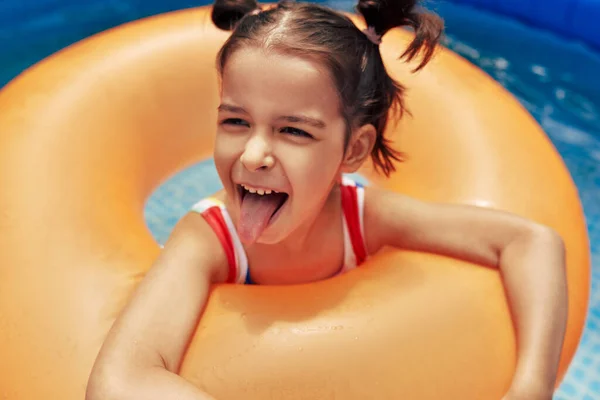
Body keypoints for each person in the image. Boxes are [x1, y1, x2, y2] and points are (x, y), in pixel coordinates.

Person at [85, 0, 568, 399]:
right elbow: (120, 380)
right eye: (235, 121)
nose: (253, 155)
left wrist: (532, 385)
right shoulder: (208, 237)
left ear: (353, 149)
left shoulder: (362, 218)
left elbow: (532, 242)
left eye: (292, 130)